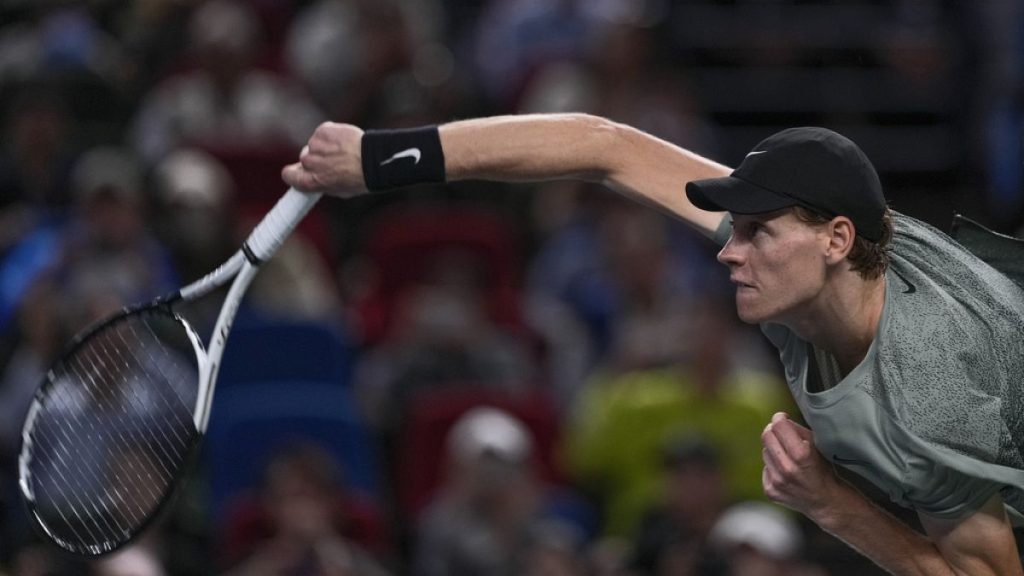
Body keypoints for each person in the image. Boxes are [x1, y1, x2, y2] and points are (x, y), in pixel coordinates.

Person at [282, 114, 1024, 575]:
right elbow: (605, 146)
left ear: (835, 240)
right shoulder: (828, 254)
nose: (728, 253)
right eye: (735, 228)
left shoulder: (928, 396)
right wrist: (382, 157)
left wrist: (832, 506)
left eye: (758, 232)